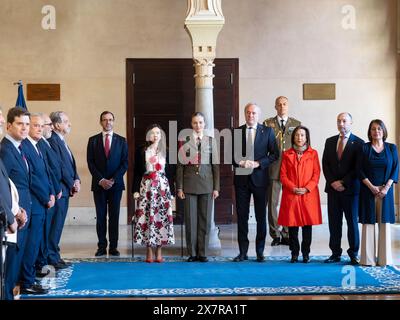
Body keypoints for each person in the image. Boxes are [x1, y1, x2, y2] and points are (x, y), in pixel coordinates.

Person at [233, 103, 279, 262]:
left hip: (260, 179)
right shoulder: (237, 132)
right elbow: (231, 156)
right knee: (242, 217)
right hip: (242, 180)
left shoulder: (267, 131)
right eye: (248, 113)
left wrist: (259, 163)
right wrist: (240, 163)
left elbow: (274, 154)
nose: (250, 115)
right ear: (244, 114)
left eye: (253, 113)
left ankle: (260, 252)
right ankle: (242, 252)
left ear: (258, 115)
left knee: (261, 217)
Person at [176, 112, 220, 263]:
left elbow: (216, 166)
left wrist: (216, 187)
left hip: (207, 185)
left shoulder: (211, 141)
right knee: (190, 220)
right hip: (189, 185)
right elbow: (180, 166)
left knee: (205, 220)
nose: (198, 125)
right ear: (191, 124)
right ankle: (192, 252)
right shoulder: (184, 141)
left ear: (204, 124)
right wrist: (180, 187)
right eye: (195, 123)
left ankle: (203, 252)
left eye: (200, 122)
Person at [322, 112, 364, 265]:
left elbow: (358, 168)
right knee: (334, 223)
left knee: (352, 222)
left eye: (344, 121)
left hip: (351, 190)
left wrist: (343, 182)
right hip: (333, 190)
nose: (341, 124)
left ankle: (354, 253)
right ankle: (335, 253)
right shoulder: (330, 141)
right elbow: (325, 164)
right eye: (339, 121)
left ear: (351, 123)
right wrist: (333, 182)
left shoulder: (359, 143)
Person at [19, 113, 54, 294]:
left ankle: (30, 277)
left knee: (35, 244)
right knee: (30, 245)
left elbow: (44, 173)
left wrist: (51, 192)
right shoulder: (25, 146)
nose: (39, 129)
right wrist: (45, 196)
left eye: (41, 126)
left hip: (42, 202)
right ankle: (27, 282)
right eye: (35, 125)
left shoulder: (38, 146)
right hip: (35, 202)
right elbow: (31, 177)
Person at [278, 126, 322, 263]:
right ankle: (294, 253)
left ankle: (306, 253)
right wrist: (293, 188)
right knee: (292, 226)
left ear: (306, 138)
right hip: (291, 194)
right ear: (293, 137)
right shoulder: (286, 154)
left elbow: (316, 174)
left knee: (307, 225)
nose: (299, 138)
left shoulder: (313, 153)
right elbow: (283, 175)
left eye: (302, 135)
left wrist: (307, 188)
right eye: (297, 135)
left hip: (308, 195)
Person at [0, 107, 32, 298]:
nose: (25, 128)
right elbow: (3, 187)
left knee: (15, 264)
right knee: (9, 269)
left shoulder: (19, 148)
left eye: (27, 124)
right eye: (20, 124)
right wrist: (13, 212)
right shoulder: (5, 150)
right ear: (10, 125)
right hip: (10, 217)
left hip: (20, 212)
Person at [87, 111, 128, 257]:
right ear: (100, 122)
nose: (108, 122)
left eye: (110, 119)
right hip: (99, 185)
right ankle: (101, 246)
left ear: (114, 121)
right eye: (104, 120)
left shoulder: (122, 141)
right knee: (101, 216)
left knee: (114, 216)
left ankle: (114, 247)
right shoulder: (93, 140)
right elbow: (90, 163)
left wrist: (113, 180)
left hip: (115, 185)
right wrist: (101, 180)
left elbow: (125, 163)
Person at [358, 120, 398, 266]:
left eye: (379, 128)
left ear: (384, 130)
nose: (376, 131)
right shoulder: (364, 148)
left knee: (384, 224)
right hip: (369, 191)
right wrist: (371, 187)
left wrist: (386, 187)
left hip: (385, 192)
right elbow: (359, 170)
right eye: (373, 129)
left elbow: (395, 169)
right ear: (370, 132)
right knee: (368, 223)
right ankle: (368, 260)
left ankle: (384, 259)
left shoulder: (391, 148)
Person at [133, 124, 175, 262]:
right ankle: (148, 251)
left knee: (160, 219)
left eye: (158, 133)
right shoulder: (142, 151)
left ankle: (159, 252)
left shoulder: (167, 151)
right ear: (148, 135)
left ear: (161, 135)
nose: (155, 135)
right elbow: (137, 172)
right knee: (146, 218)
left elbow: (171, 174)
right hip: (147, 187)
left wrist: (172, 192)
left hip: (162, 187)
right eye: (152, 133)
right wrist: (135, 190)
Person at [264, 96, 301, 246]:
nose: (282, 106)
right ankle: (275, 235)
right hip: (273, 168)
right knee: (272, 203)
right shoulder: (268, 124)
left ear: (288, 105)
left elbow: (300, 145)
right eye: (279, 104)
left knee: (289, 203)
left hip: (291, 171)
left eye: (284, 104)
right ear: (275, 107)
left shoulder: (296, 124)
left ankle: (287, 233)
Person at [47, 111, 80, 270]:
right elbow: (59, 166)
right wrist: (72, 182)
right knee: (55, 225)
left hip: (66, 188)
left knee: (58, 225)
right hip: (60, 189)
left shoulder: (61, 140)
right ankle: (52, 257)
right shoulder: (53, 140)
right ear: (57, 125)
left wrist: (77, 179)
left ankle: (55, 255)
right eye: (66, 121)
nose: (69, 124)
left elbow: (70, 164)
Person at [35, 113, 63, 276]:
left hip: (52, 192)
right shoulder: (40, 144)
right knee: (44, 233)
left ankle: (44, 261)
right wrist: (52, 192)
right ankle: (41, 263)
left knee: (48, 232)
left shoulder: (45, 143)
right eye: (46, 124)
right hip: (42, 197)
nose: (50, 127)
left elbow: (53, 167)